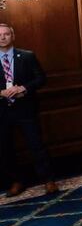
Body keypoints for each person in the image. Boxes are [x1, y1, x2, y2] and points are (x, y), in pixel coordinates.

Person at [0, 23, 57, 197]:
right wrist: (1, 92)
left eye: (6, 34)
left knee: (36, 145)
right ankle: (16, 182)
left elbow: (41, 78)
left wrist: (23, 88)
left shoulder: (27, 56)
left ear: (13, 36)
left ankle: (48, 180)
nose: (2, 37)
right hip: (2, 112)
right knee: (5, 148)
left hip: (25, 109)